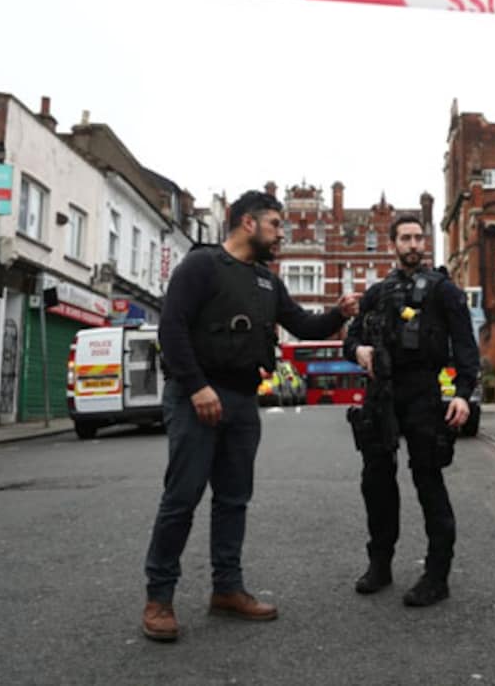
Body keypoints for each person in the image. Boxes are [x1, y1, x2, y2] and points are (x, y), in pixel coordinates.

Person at [141, 190, 359, 642]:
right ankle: (159, 598)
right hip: (197, 396)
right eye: (276, 224)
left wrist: (337, 313)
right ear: (248, 223)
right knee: (182, 497)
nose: (281, 234)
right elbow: (172, 328)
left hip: (242, 400)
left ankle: (227, 589)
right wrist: (197, 386)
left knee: (233, 499)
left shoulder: (266, 281)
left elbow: (303, 326)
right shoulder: (201, 266)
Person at [343, 214, 480, 607]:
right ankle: (379, 564)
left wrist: (462, 394)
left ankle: (437, 575)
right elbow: (350, 339)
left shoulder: (444, 291)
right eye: (405, 238)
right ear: (393, 245)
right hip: (380, 393)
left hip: (422, 391)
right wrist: (359, 349)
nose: (414, 244)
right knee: (376, 482)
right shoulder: (376, 293)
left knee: (428, 480)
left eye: (419, 237)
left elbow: (465, 347)